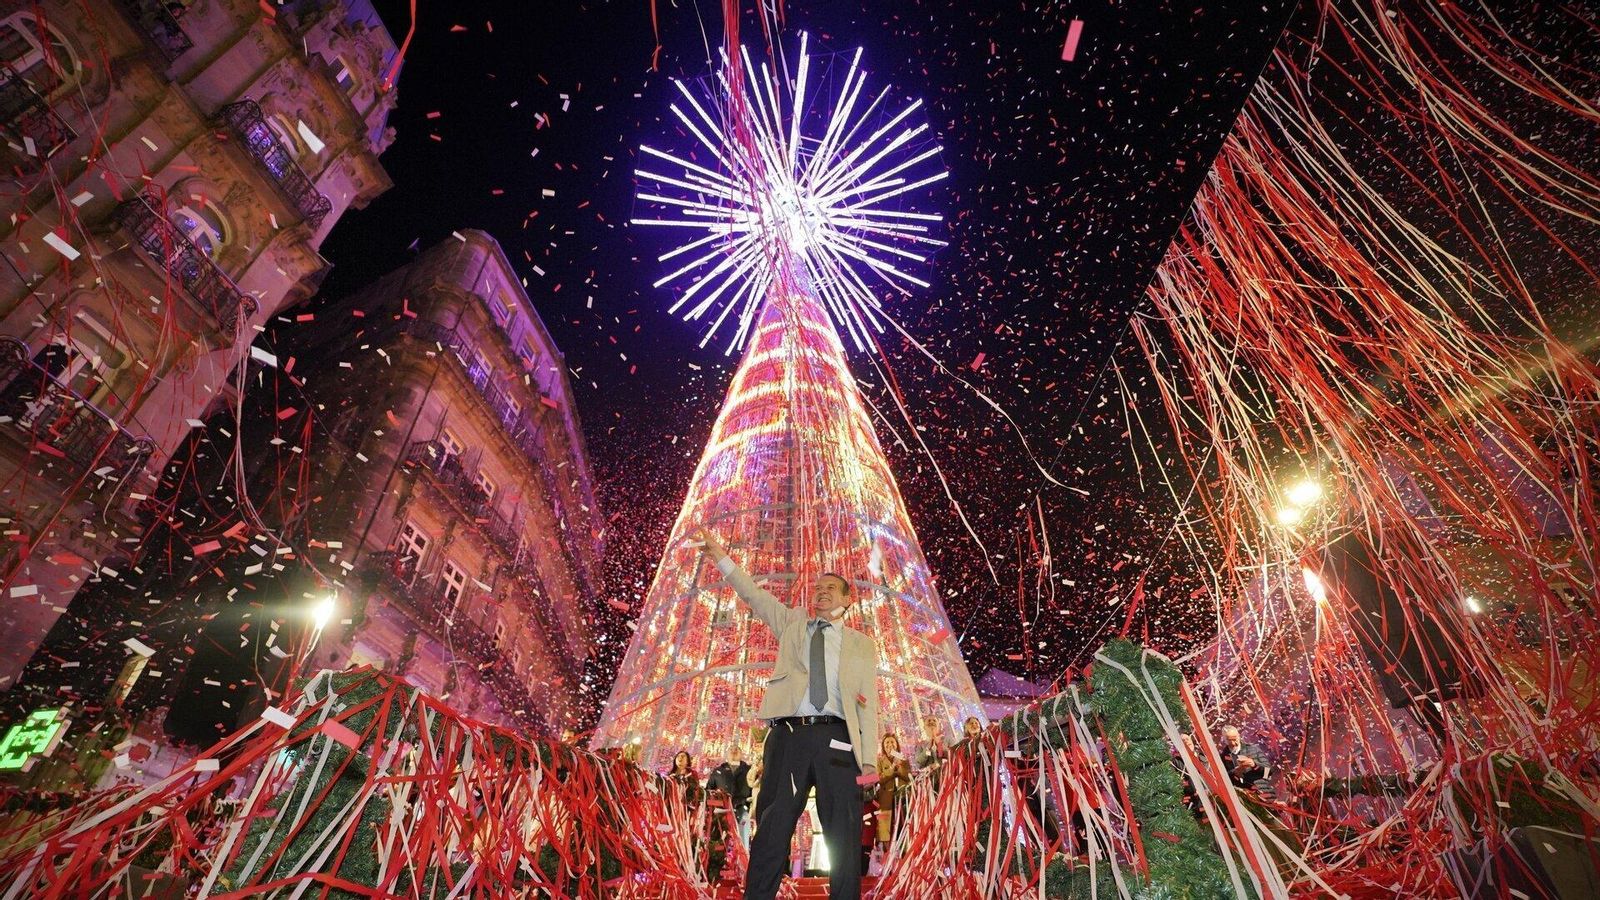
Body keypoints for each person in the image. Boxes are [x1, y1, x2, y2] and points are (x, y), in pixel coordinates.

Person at [695, 528, 880, 900]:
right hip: (788, 737)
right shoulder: (792, 625)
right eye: (819, 587)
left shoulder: (862, 645)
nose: (822, 591)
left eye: (832, 588)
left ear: (848, 598)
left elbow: (868, 704)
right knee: (773, 828)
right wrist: (720, 556)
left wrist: (870, 760)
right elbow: (753, 595)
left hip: (839, 740)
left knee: (843, 834)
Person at [708, 746, 754, 842]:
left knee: (742, 838)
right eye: (731, 750)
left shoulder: (749, 770)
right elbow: (709, 789)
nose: (734, 751)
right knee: (718, 839)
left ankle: (742, 855)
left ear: (741, 754)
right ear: (727, 754)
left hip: (742, 808)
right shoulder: (718, 771)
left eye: (737, 749)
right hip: (721, 810)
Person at [874, 734, 911, 849]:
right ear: (883, 747)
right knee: (885, 828)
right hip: (885, 799)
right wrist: (892, 770)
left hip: (902, 798)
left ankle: (905, 851)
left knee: (903, 825)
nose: (890, 745)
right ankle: (886, 853)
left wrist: (898, 764)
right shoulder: (879, 760)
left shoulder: (903, 759)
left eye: (892, 742)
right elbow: (878, 778)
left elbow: (907, 776)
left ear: (897, 745)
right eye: (887, 743)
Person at [914, 715, 947, 785]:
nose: (931, 722)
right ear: (924, 727)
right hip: (929, 783)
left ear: (939, 726)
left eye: (934, 720)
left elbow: (954, 755)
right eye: (928, 721)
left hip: (947, 778)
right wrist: (927, 748)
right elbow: (918, 764)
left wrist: (939, 744)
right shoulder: (920, 745)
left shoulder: (948, 740)